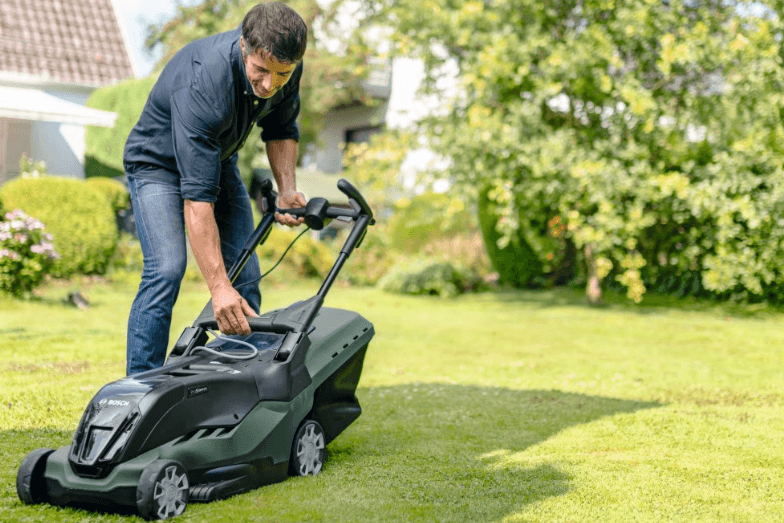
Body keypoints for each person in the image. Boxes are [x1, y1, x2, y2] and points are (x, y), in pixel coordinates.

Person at [122, 2, 308, 375]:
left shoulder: (285, 65)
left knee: (245, 273)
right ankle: (138, 389)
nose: (270, 85)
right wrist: (218, 287)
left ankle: (230, 381)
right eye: (260, 71)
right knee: (166, 269)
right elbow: (198, 201)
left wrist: (287, 189)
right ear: (244, 46)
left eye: (281, 74)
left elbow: (281, 130)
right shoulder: (204, 80)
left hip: (217, 161)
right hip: (156, 165)